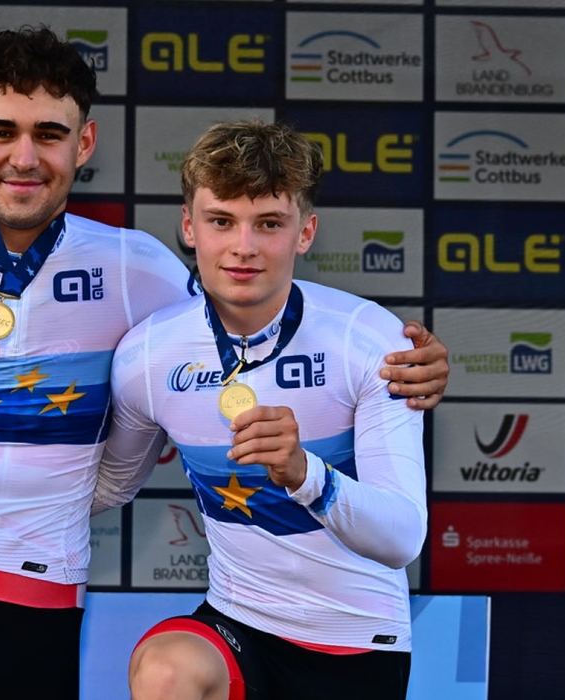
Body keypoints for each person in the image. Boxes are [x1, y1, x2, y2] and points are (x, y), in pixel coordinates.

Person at [0, 27, 447, 700]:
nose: (25, 158)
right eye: (2, 132)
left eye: (50, 134)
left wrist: (416, 364)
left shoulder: (142, 274)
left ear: (84, 142)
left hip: (34, 606)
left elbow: (251, 307)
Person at [93, 120, 428, 700]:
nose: (243, 247)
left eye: (269, 224)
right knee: (166, 671)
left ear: (306, 232)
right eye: (221, 221)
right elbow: (102, 486)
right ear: (189, 227)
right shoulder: (148, 353)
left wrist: (307, 474)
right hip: (236, 624)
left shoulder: (366, 338)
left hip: (356, 642)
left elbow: (403, 536)